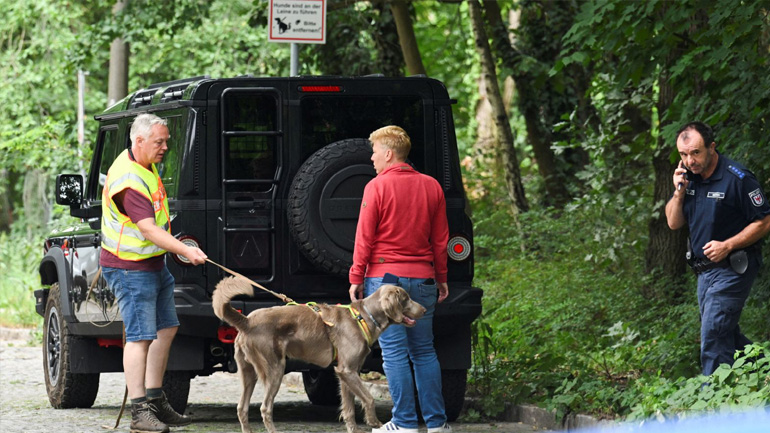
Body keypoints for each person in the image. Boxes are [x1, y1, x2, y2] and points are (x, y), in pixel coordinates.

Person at [100, 113, 207, 433]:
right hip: (129, 268)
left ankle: (155, 399)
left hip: (152, 263)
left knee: (166, 329)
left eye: (167, 141)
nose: (165, 148)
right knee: (140, 337)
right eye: (159, 142)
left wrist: (172, 250)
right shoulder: (129, 181)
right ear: (139, 141)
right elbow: (147, 228)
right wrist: (185, 250)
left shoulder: (143, 161)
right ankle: (139, 413)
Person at [349, 125, 452, 433]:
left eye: (376, 151)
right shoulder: (432, 186)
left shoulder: (376, 187)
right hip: (423, 279)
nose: (372, 157)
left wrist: (356, 275)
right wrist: (442, 276)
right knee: (424, 351)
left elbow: (364, 237)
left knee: (394, 353)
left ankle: (404, 423)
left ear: (389, 154)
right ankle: (437, 424)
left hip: (384, 282)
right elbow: (440, 239)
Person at [665, 121, 770, 376]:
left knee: (713, 334)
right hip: (704, 272)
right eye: (683, 155)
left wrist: (728, 245)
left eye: (696, 152)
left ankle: (713, 407)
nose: (690, 160)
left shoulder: (738, 178)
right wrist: (679, 193)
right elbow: (673, 222)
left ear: (712, 147)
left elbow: (764, 220)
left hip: (734, 266)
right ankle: (764, 374)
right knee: (727, 336)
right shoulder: (689, 179)